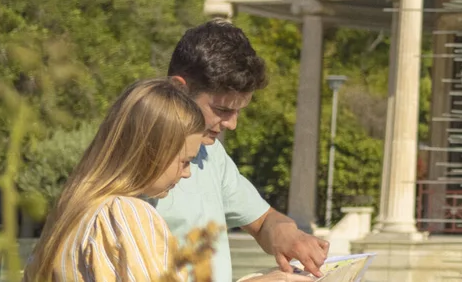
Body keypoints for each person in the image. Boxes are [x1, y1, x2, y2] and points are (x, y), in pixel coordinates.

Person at [26, 78, 313, 282]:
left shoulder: (72, 211)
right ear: (153, 151)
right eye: (185, 161)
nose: (187, 173)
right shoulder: (125, 214)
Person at [154, 19, 330, 282]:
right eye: (222, 110)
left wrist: (287, 234)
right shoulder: (135, 161)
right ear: (180, 88)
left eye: (238, 111)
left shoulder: (210, 153)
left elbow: (261, 220)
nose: (232, 125)